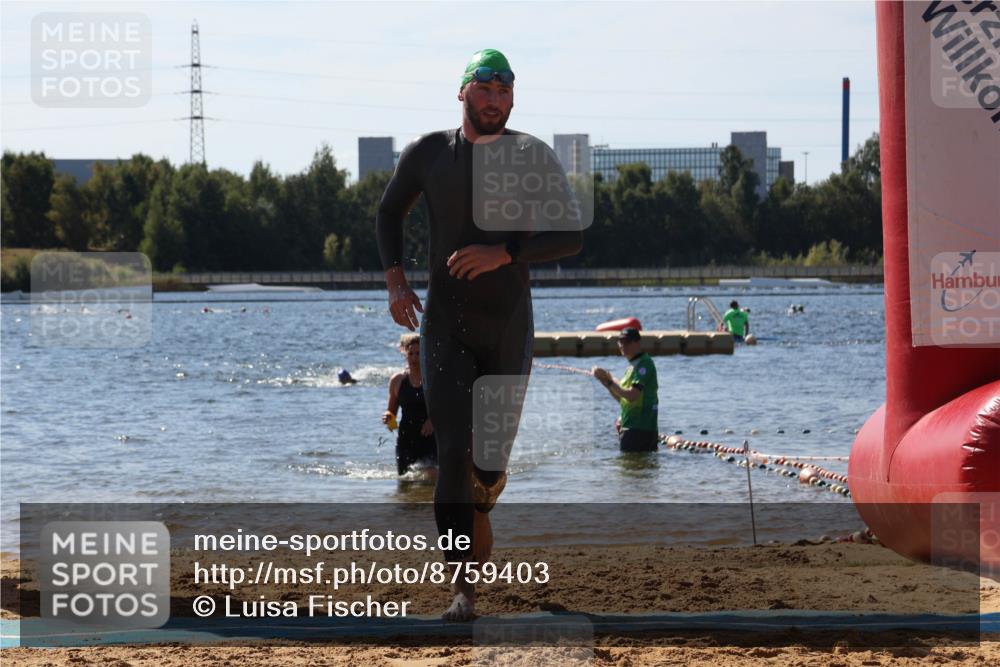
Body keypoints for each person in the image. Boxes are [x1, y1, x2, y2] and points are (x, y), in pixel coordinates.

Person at [375, 48, 583, 621]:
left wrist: (504, 252)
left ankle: (485, 495)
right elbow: (388, 213)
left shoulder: (531, 156)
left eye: (504, 90)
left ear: (512, 98)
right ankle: (462, 592)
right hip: (446, 326)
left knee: (487, 466)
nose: (494, 100)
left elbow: (570, 237)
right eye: (484, 89)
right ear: (462, 92)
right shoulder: (429, 153)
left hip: (508, 325)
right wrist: (395, 279)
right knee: (453, 454)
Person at [592, 328, 660, 452]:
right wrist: (605, 381)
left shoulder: (644, 364)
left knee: (632, 470)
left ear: (637, 342)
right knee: (631, 469)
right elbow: (622, 398)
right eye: (620, 342)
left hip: (640, 431)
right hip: (631, 429)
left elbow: (632, 395)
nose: (623, 345)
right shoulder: (632, 366)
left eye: (627, 342)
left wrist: (610, 381)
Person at [382, 335, 437, 475]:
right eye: (411, 353)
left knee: (431, 475)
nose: (414, 357)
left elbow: (447, 409)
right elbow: (391, 411)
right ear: (405, 354)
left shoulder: (433, 379)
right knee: (405, 482)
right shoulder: (398, 380)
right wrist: (388, 417)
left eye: (418, 353)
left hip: (430, 438)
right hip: (406, 439)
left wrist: (433, 421)